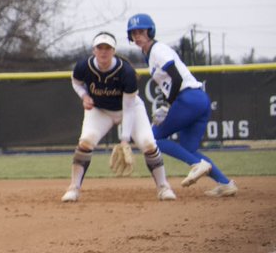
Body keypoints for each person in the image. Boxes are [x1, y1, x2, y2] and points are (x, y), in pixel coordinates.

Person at [126, 13, 237, 197]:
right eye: (133, 32)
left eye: (141, 31)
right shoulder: (151, 54)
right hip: (198, 99)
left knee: (153, 139)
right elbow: (171, 81)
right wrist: (167, 104)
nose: (137, 35)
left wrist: (170, 104)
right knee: (188, 148)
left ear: (150, 31)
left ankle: (197, 165)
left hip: (188, 99)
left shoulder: (158, 50)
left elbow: (176, 77)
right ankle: (225, 183)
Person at [61, 32, 176, 203]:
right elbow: (76, 82)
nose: (103, 52)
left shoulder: (126, 72)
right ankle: (73, 188)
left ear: (114, 51)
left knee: (148, 144)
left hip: (130, 109)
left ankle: (163, 187)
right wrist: (84, 96)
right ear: (94, 50)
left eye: (108, 48)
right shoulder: (83, 66)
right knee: (86, 141)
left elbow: (128, 108)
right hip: (100, 110)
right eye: (100, 47)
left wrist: (124, 140)